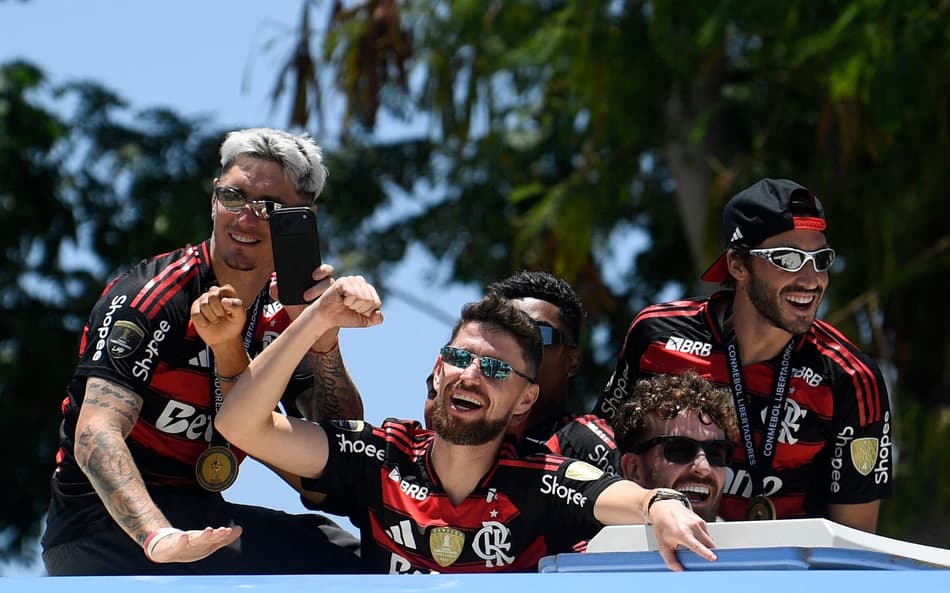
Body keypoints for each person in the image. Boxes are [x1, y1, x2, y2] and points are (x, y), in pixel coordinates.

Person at [213, 283, 719, 573]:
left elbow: (630, 499)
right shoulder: (379, 454)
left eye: (496, 368)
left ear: (525, 399)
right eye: (459, 357)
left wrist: (662, 506)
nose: (470, 374)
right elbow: (240, 423)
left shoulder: (541, 477)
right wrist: (317, 319)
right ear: (438, 370)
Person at [41, 128, 363, 575]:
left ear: (301, 217)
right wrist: (158, 535)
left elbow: (341, 473)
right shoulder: (153, 296)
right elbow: (96, 433)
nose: (246, 220)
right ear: (214, 200)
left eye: (268, 208)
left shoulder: (290, 313)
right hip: (103, 532)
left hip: (201, 519)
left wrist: (323, 336)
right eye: (234, 197)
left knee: (351, 559)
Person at [592, 178, 893, 531]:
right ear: (737, 264)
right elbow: (601, 454)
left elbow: (852, 542)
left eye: (820, 259)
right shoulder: (656, 335)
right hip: (661, 562)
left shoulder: (851, 377)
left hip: (783, 575)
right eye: (789, 259)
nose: (812, 279)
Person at [611, 371, 738, 522]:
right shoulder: (595, 545)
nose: (703, 467)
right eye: (680, 450)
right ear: (634, 469)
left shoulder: (754, 544)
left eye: (716, 453)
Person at [483, 270, 584, 441]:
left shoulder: (586, 446)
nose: (519, 346)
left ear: (573, 360)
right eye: (507, 332)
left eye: (538, 333)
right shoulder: (469, 443)